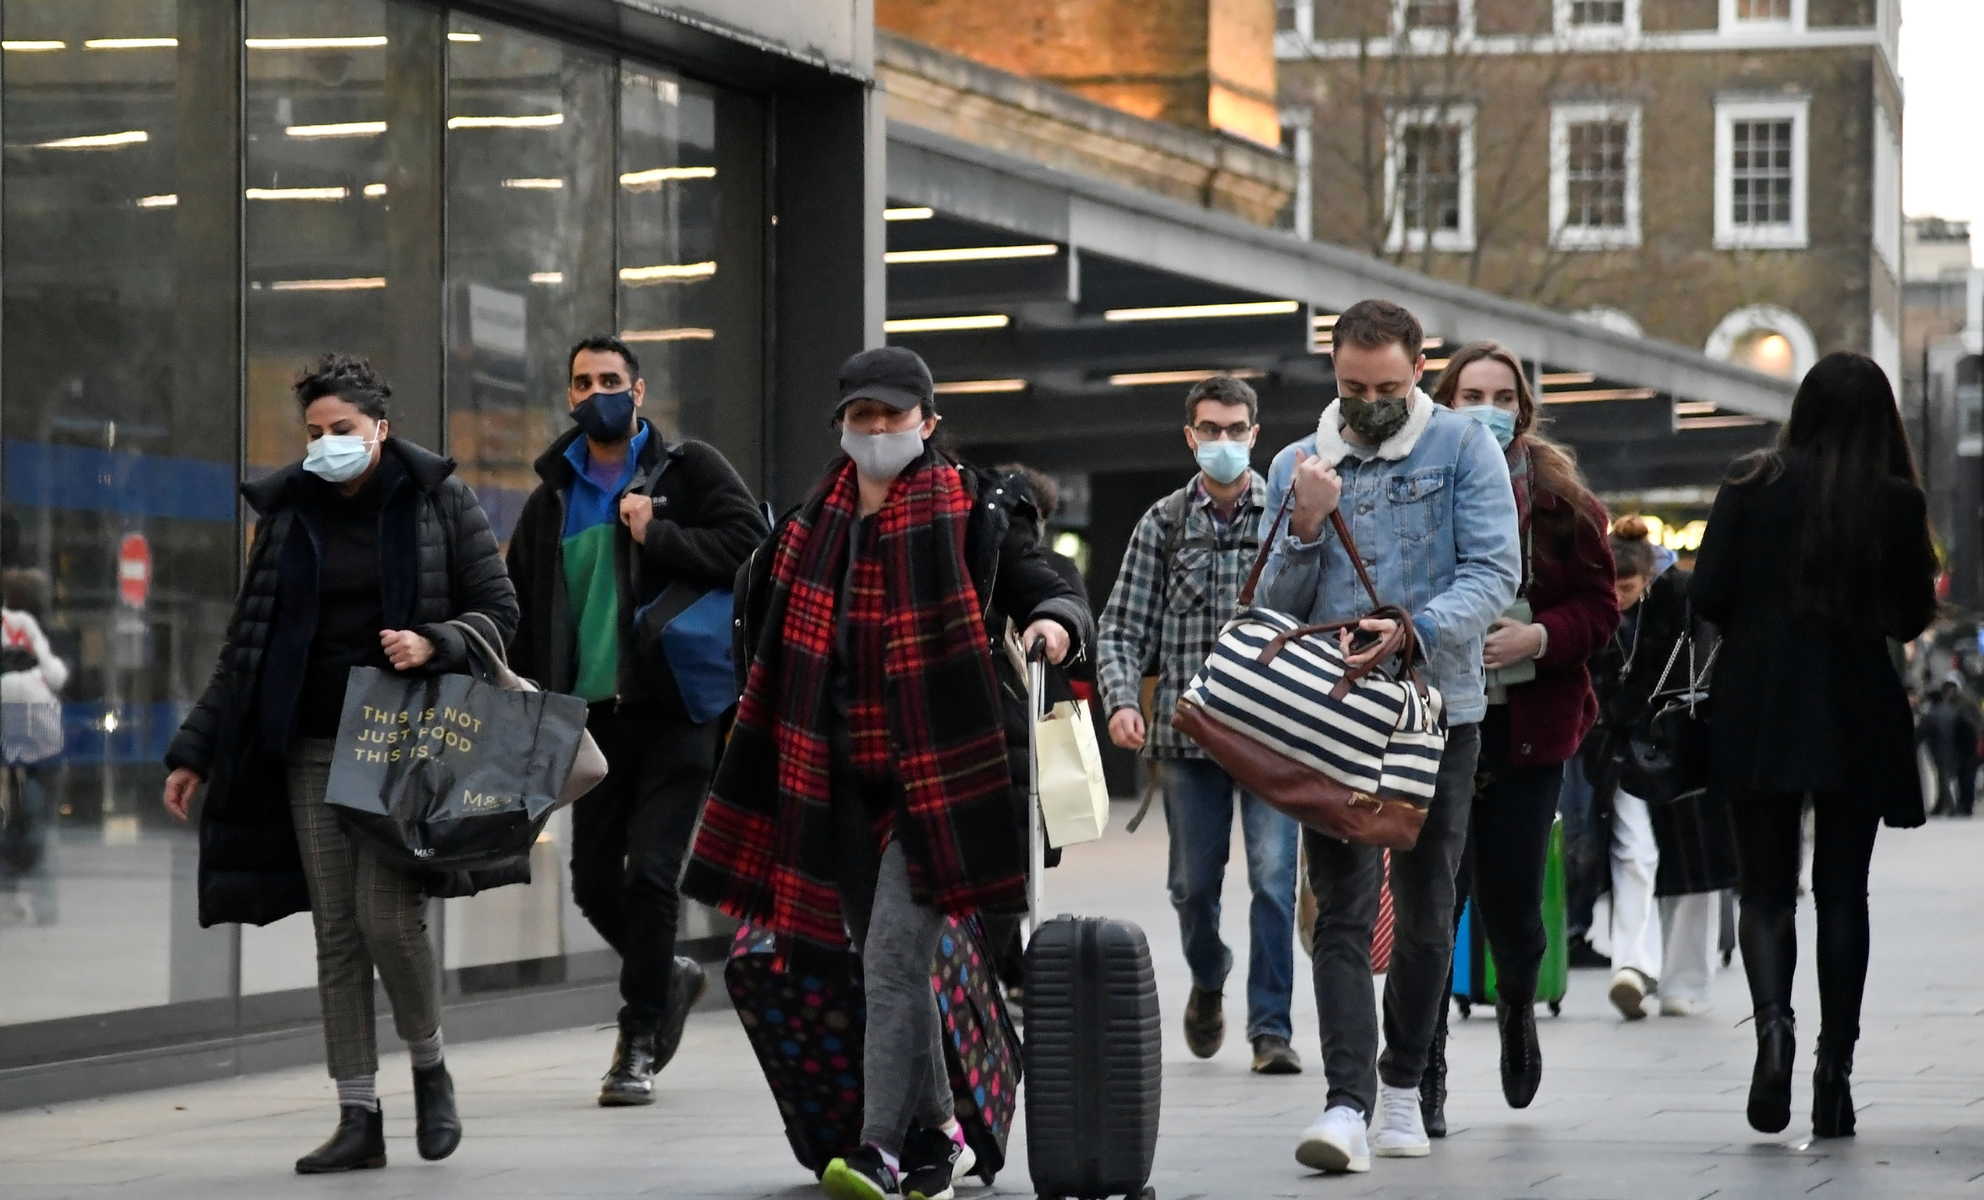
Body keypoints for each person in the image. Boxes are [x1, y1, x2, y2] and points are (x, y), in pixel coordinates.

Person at [680, 346, 1092, 1200]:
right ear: (841, 424)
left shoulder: (973, 510)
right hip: (836, 785)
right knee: (885, 962)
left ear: (928, 422)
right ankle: (942, 1132)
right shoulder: (807, 530)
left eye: (893, 415)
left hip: (939, 785)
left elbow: (1044, 581)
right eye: (861, 416)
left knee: (895, 960)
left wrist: (1054, 620)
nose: (876, 430)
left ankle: (880, 1150)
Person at [161, 354, 521, 1173]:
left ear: (380, 429)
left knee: (387, 917)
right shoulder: (290, 511)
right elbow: (246, 644)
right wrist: (195, 750)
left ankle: (430, 1067)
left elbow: (500, 608)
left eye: (344, 429)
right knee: (336, 931)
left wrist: (435, 641)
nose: (327, 444)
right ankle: (358, 1115)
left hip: (401, 742)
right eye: (315, 432)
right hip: (311, 745)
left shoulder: (437, 499)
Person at [1259, 300, 1520, 1172]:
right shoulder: (1297, 464)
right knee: (1339, 909)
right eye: (1352, 387)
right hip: (1334, 719)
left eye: (1387, 387)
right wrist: (1304, 524)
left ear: (1419, 369)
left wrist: (1414, 631)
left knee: (1425, 908)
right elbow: (1272, 610)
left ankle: (1404, 1083)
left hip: (1440, 713)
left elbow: (1494, 571)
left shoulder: (1463, 448)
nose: (1369, 403)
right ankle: (1345, 1104)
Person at [506, 334, 768, 1107]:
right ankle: (668, 975)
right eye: (583, 382)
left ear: (640, 390)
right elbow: (520, 608)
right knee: (593, 884)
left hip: (678, 706)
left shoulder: (690, 470)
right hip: (592, 720)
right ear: (570, 396)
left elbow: (755, 550)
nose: (598, 394)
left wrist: (660, 534)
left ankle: (638, 1040)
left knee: (653, 874)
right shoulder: (552, 498)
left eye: (611, 380)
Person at [1691, 351, 1938, 1139]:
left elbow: (1709, 592)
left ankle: (1774, 1031)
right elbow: (1911, 615)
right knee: (1842, 891)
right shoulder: (1896, 501)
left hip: (1759, 704)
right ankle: (1835, 1071)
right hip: (1856, 705)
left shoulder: (1749, 482)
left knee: (1765, 890)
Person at [1425, 341, 1617, 1126]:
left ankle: (1515, 1007)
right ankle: (1424, 1062)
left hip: (1529, 730)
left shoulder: (1563, 502)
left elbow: (1600, 609)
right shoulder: (1416, 486)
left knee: (1512, 899)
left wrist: (1539, 637)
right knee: (1435, 898)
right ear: (1443, 403)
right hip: (1434, 723)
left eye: (1502, 397)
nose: (1487, 410)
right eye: (1471, 396)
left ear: (1524, 409)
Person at [1097, 374, 1303, 1077]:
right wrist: (1122, 701)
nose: (1223, 441)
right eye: (1210, 429)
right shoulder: (1162, 523)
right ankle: (1209, 976)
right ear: (1190, 437)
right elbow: (1121, 627)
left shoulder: (1286, 518)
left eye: (1235, 429)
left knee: (1274, 880)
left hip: (1272, 736)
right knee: (1191, 885)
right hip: (1187, 738)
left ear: (1255, 434)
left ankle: (1271, 1029)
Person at [1587, 519, 1731, 1022]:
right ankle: (1639, 966)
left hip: (1681, 744)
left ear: (1647, 577)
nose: (1618, 598)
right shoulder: (1606, 602)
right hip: (1629, 746)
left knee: (1689, 866)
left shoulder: (1683, 596)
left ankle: (1680, 982)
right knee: (1636, 854)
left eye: (1626, 588)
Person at [984, 462, 1094, 1006]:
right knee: (1020, 862)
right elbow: (1082, 650)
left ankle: (1002, 970)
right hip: (1033, 725)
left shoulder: (991, 567)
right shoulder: (1055, 569)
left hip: (1012, 726)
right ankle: (1009, 970)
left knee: (1004, 862)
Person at [1, 581, 66, 925]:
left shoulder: (20, 626)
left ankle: (24, 896)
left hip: (25, 734)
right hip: (41, 732)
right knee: (35, 822)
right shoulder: (25, 627)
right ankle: (38, 902)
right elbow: (57, 675)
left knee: (26, 820)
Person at [1923, 680, 1979, 817]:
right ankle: (1957, 805)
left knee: (1959, 778)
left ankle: (1961, 806)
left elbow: (1970, 728)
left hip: (1966, 749)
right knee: (1960, 778)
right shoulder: (1962, 704)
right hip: (1964, 748)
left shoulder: (1960, 706)